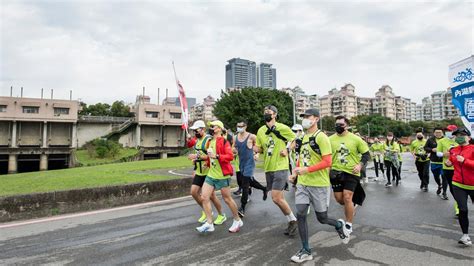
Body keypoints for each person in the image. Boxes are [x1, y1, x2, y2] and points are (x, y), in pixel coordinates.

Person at [289, 109, 346, 263]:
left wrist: (306, 170)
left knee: (322, 218)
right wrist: (295, 173)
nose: (305, 119)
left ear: (316, 119)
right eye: (304, 117)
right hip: (303, 184)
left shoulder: (322, 138)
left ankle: (339, 224)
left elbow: (327, 162)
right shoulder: (303, 137)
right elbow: (302, 159)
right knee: (300, 213)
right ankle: (306, 250)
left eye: (308, 117)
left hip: (319, 185)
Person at [255, 105, 297, 236]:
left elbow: (294, 139)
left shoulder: (282, 128)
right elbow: (260, 147)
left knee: (275, 197)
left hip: (281, 166)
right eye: (264, 112)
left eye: (268, 112)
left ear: (275, 115)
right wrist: (255, 149)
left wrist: (287, 149)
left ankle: (293, 220)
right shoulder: (261, 130)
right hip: (268, 167)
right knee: (280, 198)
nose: (266, 114)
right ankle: (290, 221)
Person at [329, 115, 370, 244]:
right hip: (335, 172)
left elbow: (366, 154)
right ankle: (353, 205)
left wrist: (360, 165)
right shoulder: (329, 139)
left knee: (347, 197)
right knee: (340, 200)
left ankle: (348, 224)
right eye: (336, 124)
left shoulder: (355, 139)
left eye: (340, 124)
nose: (338, 126)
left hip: (351, 172)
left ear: (347, 126)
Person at [196, 120, 243, 233]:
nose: (211, 128)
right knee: (204, 197)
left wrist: (217, 156)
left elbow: (230, 156)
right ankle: (209, 223)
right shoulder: (209, 141)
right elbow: (209, 157)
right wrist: (206, 161)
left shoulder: (224, 141)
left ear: (219, 128)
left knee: (227, 199)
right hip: (211, 174)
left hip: (222, 175)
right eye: (211, 126)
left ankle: (237, 220)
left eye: (213, 126)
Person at [186, 120, 227, 225]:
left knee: (211, 196)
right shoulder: (197, 140)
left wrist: (197, 157)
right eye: (193, 130)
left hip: (209, 172)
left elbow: (210, 156)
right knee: (194, 192)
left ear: (203, 129)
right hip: (199, 171)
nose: (195, 132)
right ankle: (206, 211)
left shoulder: (209, 140)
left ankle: (221, 215)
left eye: (196, 130)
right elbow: (195, 151)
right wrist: (195, 165)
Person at [445, 127, 474, 246]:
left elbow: (466, 162)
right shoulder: (454, 150)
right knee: (462, 209)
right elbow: (451, 160)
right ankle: (465, 236)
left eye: (462, 134)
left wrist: (465, 161)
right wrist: (449, 162)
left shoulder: (473, 149)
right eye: (457, 135)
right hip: (458, 184)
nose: (459, 137)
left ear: (469, 137)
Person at [234, 120, 267, 217]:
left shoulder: (252, 136)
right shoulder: (235, 137)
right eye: (238, 126)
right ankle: (264, 188)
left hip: (250, 163)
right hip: (241, 163)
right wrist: (234, 152)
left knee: (245, 185)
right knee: (249, 181)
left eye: (241, 126)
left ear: (245, 127)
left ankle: (242, 207)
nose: (239, 127)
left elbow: (260, 147)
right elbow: (235, 148)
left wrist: (257, 154)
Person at [437, 125, 458, 202]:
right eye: (446, 131)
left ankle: (459, 205)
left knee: (458, 186)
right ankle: (458, 202)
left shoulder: (459, 140)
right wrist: (443, 154)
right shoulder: (441, 141)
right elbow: (438, 153)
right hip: (447, 167)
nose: (447, 132)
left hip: (458, 167)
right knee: (452, 187)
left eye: (449, 131)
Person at [424, 127, 445, 194]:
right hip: (434, 161)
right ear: (434, 133)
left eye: (440, 132)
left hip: (444, 161)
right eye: (436, 132)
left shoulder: (446, 140)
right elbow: (425, 148)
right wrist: (432, 149)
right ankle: (439, 185)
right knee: (436, 176)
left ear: (442, 133)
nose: (438, 134)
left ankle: (444, 192)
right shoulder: (430, 140)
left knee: (444, 176)